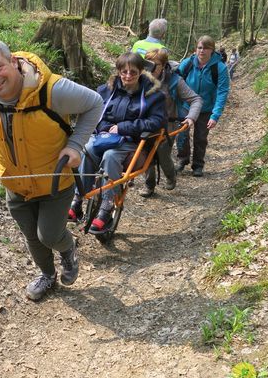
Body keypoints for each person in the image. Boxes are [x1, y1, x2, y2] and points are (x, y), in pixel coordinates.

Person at [0, 40, 103, 301]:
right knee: (32, 236)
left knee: (49, 235)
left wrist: (76, 145)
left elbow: (95, 103)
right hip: (14, 182)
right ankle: (47, 275)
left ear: (13, 62)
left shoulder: (52, 90)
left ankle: (68, 250)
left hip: (54, 181)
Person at [69, 52, 166, 236]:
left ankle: (107, 205)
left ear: (141, 72)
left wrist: (123, 127)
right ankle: (78, 198)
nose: (128, 76)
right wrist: (106, 127)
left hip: (132, 142)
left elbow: (157, 122)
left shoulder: (154, 95)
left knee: (111, 156)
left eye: (133, 72)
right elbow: (95, 114)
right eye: (124, 72)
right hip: (104, 138)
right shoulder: (106, 90)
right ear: (118, 72)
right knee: (88, 149)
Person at [139, 49, 202, 198]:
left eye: (157, 65)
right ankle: (149, 185)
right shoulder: (139, 78)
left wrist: (191, 117)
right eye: (149, 64)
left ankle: (171, 175)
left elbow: (196, 99)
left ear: (164, 65)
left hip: (167, 126)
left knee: (162, 154)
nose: (152, 68)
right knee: (144, 153)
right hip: (144, 124)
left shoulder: (174, 81)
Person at [175, 36, 230, 177]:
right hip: (186, 106)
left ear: (212, 50)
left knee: (200, 137)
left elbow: (222, 92)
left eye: (206, 48)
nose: (202, 51)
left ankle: (198, 165)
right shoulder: (187, 63)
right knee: (181, 134)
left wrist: (215, 115)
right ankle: (182, 159)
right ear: (196, 49)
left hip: (206, 109)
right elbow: (176, 81)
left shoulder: (220, 68)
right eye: (199, 47)